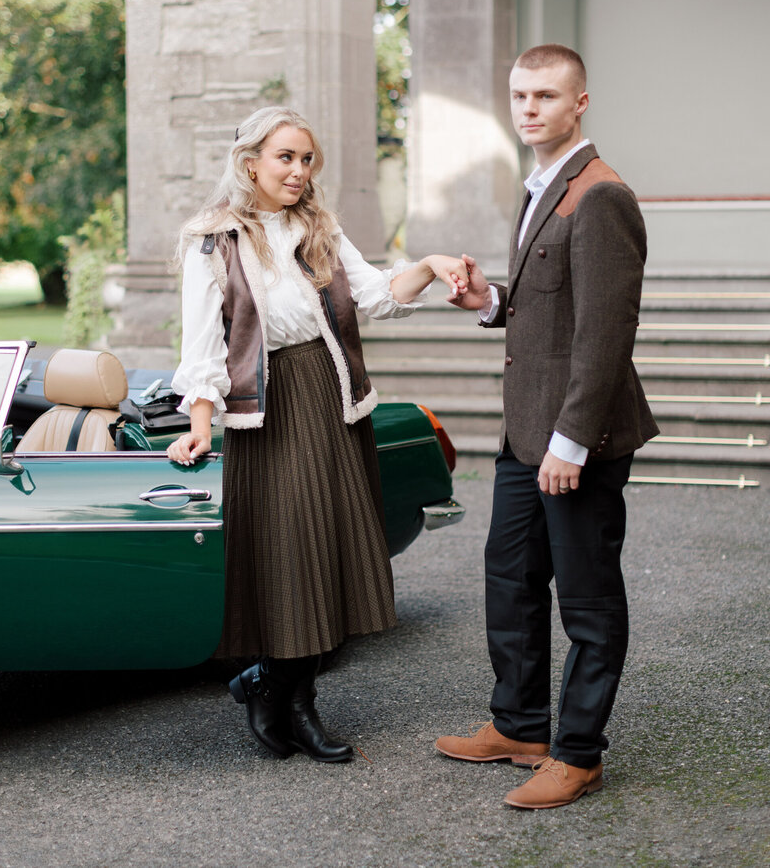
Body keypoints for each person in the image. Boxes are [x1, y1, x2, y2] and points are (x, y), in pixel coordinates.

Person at [167, 106, 468, 764]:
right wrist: (197, 425)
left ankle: (283, 697)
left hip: (332, 406)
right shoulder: (214, 242)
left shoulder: (319, 228)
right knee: (289, 560)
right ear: (251, 163)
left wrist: (431, 263)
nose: (300, 171)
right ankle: (277, 691)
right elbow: (203, 348)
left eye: (307, 160)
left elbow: (377, 294)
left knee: (326, 559)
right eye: (286, 158)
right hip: (267, 415)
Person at [435, 44, 658, 808]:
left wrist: (571, 443)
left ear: (580, 103)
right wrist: (489, 302)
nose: (528, 109)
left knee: (588, 601)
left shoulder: (601, 194)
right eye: (519, 95)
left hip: (575, 439)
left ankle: (579, 752)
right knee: (512, 578)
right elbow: (552, 305)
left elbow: (604, 332)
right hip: (524, 431)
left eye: (545, 96)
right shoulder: (542, 186)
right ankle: (520, 724)